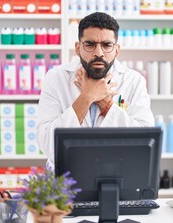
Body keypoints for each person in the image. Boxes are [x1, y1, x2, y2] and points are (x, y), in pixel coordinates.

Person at [37, 12, 154, 167]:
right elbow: (47, 144)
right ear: (78, 48)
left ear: (116, 50)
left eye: (106, 45)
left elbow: (145, 144)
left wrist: (106, 105)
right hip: (66, 178)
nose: (98, 53)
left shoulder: (134, 81)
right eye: (90, 44)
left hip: (116, 174)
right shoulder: (56, 78)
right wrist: (87, 97)